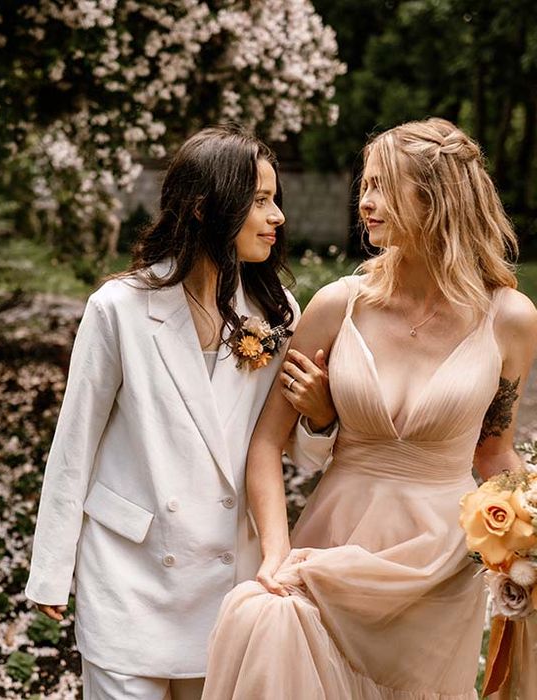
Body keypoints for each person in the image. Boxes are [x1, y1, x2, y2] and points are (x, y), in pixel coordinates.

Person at [202, 117, 537, 699]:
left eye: (383, 186)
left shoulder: (509, 319)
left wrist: (528, 526)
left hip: (438, 568)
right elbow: (265, 443)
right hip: (334, 545)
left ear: (436, 199)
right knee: (270, 626)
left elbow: (494, 450)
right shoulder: (338, 305)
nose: (367, 203)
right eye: (365, 186)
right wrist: (278, 553)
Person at [25, 124, 338, 699]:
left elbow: (299, 454)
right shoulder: (118, 308)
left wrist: (319, 417)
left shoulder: (277, 311)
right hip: (128, 573)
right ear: (204, 208)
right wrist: (51, 566)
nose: (278, 219)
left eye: (277, 201)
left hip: (227, 575)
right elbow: (75, 443)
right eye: (261, 200)